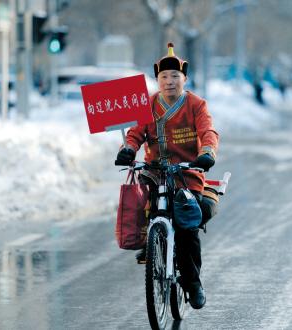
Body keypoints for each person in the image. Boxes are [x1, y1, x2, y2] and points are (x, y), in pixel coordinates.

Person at [115, 43, 219, 310]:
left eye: (175, 76)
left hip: (186, 173)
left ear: (184, 79)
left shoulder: (197, 104)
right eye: (164, 77)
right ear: (157, 80)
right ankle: (151, 243)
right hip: (154, 172)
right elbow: (135, 133)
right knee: (141, 207)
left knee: (186, 226)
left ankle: (193, 282)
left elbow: (208, 132)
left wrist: (207, 153)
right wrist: (128, 149)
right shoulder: (147, 104)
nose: (169, 81)